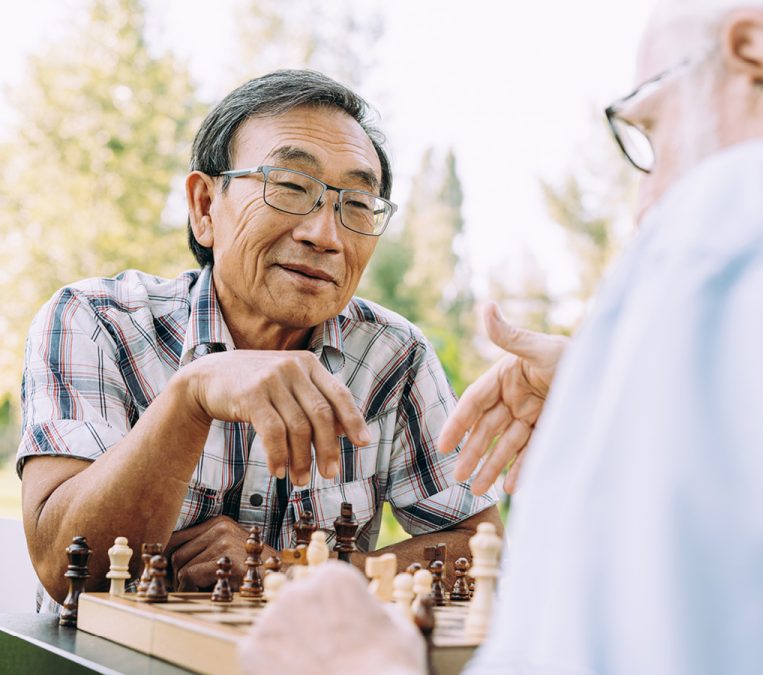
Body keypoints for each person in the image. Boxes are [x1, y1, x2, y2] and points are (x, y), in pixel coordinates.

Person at [242, 1, 763, 673]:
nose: (646, 209)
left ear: (757, 68)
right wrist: (631, 400)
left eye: (651, 131)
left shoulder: (754, 211)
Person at [17, 69, 501, 611]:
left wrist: (294, 572)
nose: (325, 235)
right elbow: (64, 568)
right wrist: (190, 397)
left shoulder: (394, 356)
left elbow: (481, 549)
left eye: (358, 205)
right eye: (292, 187)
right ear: (204, 207)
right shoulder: (95, 321)